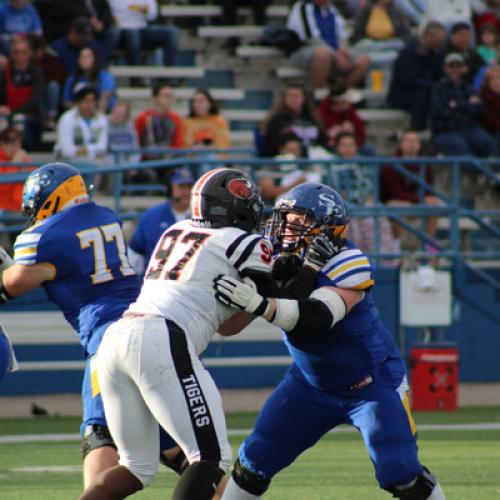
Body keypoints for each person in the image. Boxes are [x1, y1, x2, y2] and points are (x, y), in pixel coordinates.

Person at [78, 167, 338, 500]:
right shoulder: (243, 241)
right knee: (210, 459)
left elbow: (228, 324)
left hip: (116, 340)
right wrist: (310, 267)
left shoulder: (175, 230)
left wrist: (262, 287)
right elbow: (286, 304)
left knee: (135, 468)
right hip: (159, 338)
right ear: (231, 206)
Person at [213, 182, 446, 500]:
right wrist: (251, 290)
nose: (284, 229)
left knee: (399, 473)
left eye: (296, 222)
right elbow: (228, 329)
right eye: (283, 219)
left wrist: (258, 303)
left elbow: (318, 318)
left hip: (370, 385)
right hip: (309, 385)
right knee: (253, 464)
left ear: (327, 229)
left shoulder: (349, 260)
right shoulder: (276, 259)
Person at [0, 162, 142, 486]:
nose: (34, 214)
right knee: (171, 446)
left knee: (98, 432)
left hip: (108, 338)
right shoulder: (108, 216)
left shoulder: (44, 237)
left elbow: (14, 284)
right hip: (151, 325)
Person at [380, 130, 442, 251]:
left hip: (416, 201)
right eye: (408, 140)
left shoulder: (425, 164)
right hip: (393, 201)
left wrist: (427, 199)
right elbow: (396, 193)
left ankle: (428, 248)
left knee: (435, 207)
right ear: (401, 144)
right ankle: (397, 249)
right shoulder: (390, 164)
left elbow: (428, 189)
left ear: (419, 145)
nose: (412, 144)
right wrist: (420, 200)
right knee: (401, 208)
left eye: (415, 141)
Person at [286, 0, 370, 88]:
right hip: (304, 52)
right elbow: (310, 38)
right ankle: (315, 94)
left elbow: (343, 34)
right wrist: (335, 55)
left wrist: (342, 50)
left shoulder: (332, 10)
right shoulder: (303, 7)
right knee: (323, 54)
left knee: (364, 60)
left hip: (334, 52)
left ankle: (340, 93)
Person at [128, 167, 194, 274]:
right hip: (156, 281)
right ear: (168, 188)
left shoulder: (201, 217)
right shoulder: (151, 217)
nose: (187, 191)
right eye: (181, 186)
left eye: (189, 186)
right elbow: (135, 256)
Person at [431, 52, 497, 157]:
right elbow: (439, 111)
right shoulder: (438, 88)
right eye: (451, 66)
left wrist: (456, 105)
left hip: (469, 128)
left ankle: (492, 172)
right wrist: (467, 104)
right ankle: (482, 173)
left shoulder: (469, 88)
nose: (455, 69)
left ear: (464, 68)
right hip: (447, 130)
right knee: (462, 150)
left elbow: (479, 109)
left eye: (458, 66)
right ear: (445, 68)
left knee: (489, 144)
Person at [388, 21, 447, 130]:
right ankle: (417, 130)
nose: (440, 43)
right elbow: (406, 81)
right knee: (422, 94)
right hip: (403, 94)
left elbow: (439, 74)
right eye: (438, 40)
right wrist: (430, 85)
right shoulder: (408, 53)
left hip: (427, 91)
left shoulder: (437, 53)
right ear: (428, 36)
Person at [0, 36, 44, 150]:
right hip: (8, 113)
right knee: (2, 120)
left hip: (30, 115)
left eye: (23, 52)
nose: (20, 55)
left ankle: (21, 152)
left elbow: (36, 99)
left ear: (30, 53)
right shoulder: (5, 72)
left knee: (19, 119)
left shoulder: (36, 73)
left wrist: (14, 111)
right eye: (16, 52)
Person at [107, 0, 180, 68]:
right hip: (121, 30)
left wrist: (146, 11)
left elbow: (153, 15)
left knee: (173, 32)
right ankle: (136, 77)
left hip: (142, 28)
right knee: (132, 34)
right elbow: (104, 11)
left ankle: (167, 77)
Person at [260, 84, 325, 157]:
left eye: (296, 96)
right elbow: (271, 144)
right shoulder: (276, 120)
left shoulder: (312, 119)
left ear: (304, 98)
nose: (292, 99)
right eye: (289, 96)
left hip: (314, 157)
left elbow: (322, 139)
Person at [134, 81, 185, 166]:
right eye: (166, 96)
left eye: (171, 96)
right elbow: (136, 143)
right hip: (147, 162)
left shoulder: (176, 119)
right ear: (155, 98)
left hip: (169, 162)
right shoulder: (143, 118)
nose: (170, 99)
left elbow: (178, 145)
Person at [54, 86, 108, 162]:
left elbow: (102, 147)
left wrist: (85, 149)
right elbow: (66, 151)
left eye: (92, 100)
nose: (89, 104)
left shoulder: (101, 119)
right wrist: (93, 150)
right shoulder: (67, 119)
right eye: (85, 100)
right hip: (68, 164)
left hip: (93, 164)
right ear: (78, 102)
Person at [63, 46, 116, 113]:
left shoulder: (104, 76)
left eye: (88, 57)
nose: (84, 59)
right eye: (81, 57)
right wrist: (83, 109)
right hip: (77, 114)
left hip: (102, 112)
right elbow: (66, 102)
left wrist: (98, 116)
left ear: (95, 59)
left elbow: (105, 96)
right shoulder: (72, 78)